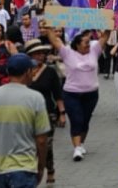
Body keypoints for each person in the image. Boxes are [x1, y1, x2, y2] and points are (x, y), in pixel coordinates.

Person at [0, 53, 51, 188]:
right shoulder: (35, 98)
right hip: (24, 167)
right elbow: (42, 140)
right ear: (27, 72)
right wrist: (41, 167)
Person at [42, 26, 107, 161]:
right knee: (76, 120)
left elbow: (105, 37)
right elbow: (55, 40)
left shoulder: (94, 51)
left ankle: (81, 143)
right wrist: (48, 28)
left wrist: (111, 22)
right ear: (77, 45)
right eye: (85, 43)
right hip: (72, 94)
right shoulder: (67, 53)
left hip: (91, 94)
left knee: (85, 120)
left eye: (89, 42)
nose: (88, 44)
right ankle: (77, 148)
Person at [25, 39, 65, 186]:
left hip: (47, 113)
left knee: (46, 144)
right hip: (26, 114)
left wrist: (62, 112)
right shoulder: (24, 72)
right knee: (29, 144)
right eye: (36, 53)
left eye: (42, 53)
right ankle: (31, 169)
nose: (40, 56)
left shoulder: (50, 71)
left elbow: (57, 94)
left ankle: (50, 169)